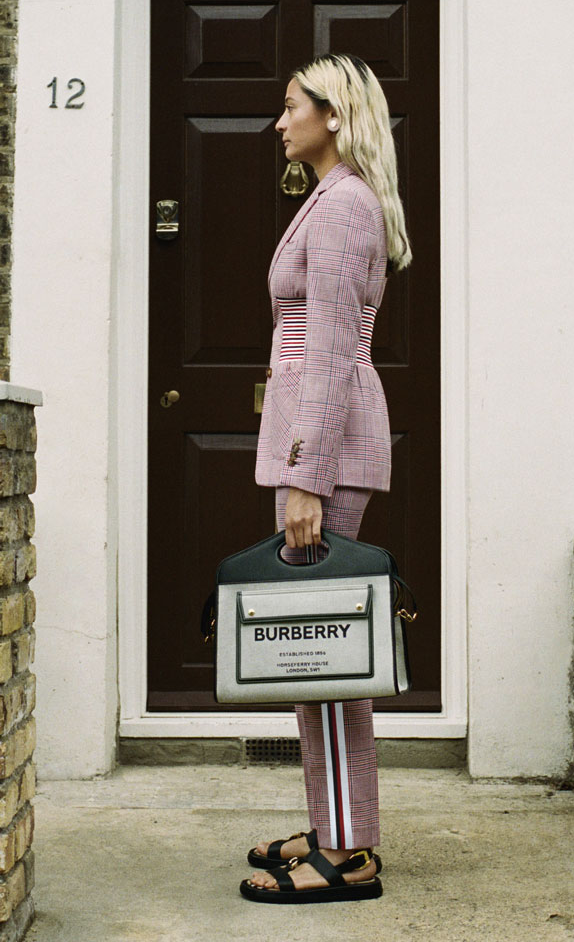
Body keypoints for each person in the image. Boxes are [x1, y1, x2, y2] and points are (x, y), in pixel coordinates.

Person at [240, 53, 411, 904]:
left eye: (290, 107)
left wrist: (305, 477)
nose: (279, 122)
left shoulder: (342, 207)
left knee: (330, 661)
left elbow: (334, 355)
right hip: (315, 449)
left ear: (332, 115)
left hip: (326, 453)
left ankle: (347, 854)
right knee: (315, 658)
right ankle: (333, 824)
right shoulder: (327, 199)